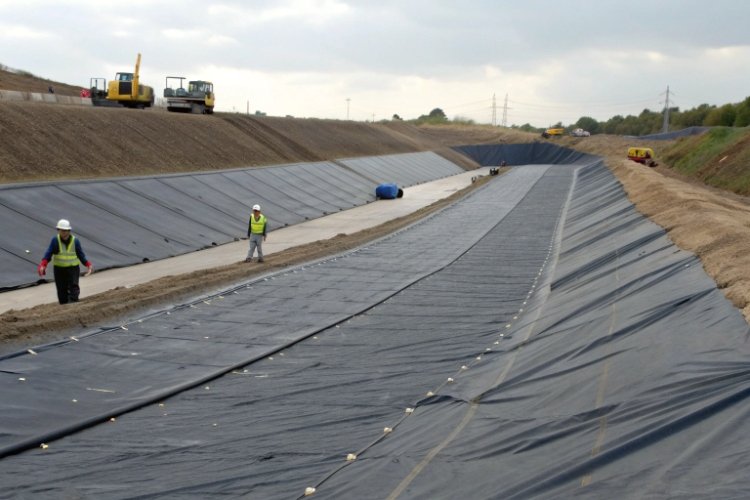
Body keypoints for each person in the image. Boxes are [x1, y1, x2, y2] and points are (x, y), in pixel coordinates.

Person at [37, 219, 94, 304]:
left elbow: (80, 255)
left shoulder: (75, 241)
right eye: (61, 230)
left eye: (65, 231)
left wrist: (88, 264)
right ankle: (64, 304)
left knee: (74, 288)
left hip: (73, 269)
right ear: (58, 230)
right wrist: (43, 265)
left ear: (69, 231)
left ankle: (74, 303)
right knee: (61, 293)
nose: (63, 233)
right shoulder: (55, 241)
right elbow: (48, 254)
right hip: (59, 270)